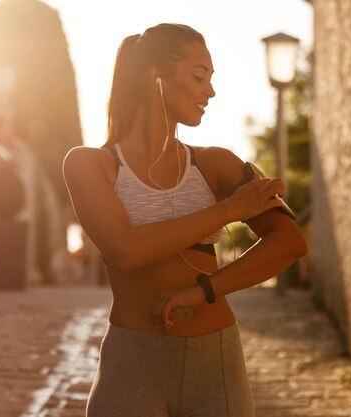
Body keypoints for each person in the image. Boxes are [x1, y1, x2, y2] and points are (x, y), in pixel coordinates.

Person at [63, 23, 307, 417]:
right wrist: (228, 210)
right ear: (155, 76)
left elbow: (290, 242)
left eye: (211, 79)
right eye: (199, 77)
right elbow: (124, 251)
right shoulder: (89, 164)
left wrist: (202, 290)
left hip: (216, 364)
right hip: (132, 365)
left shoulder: (217, 163)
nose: (210, 92)